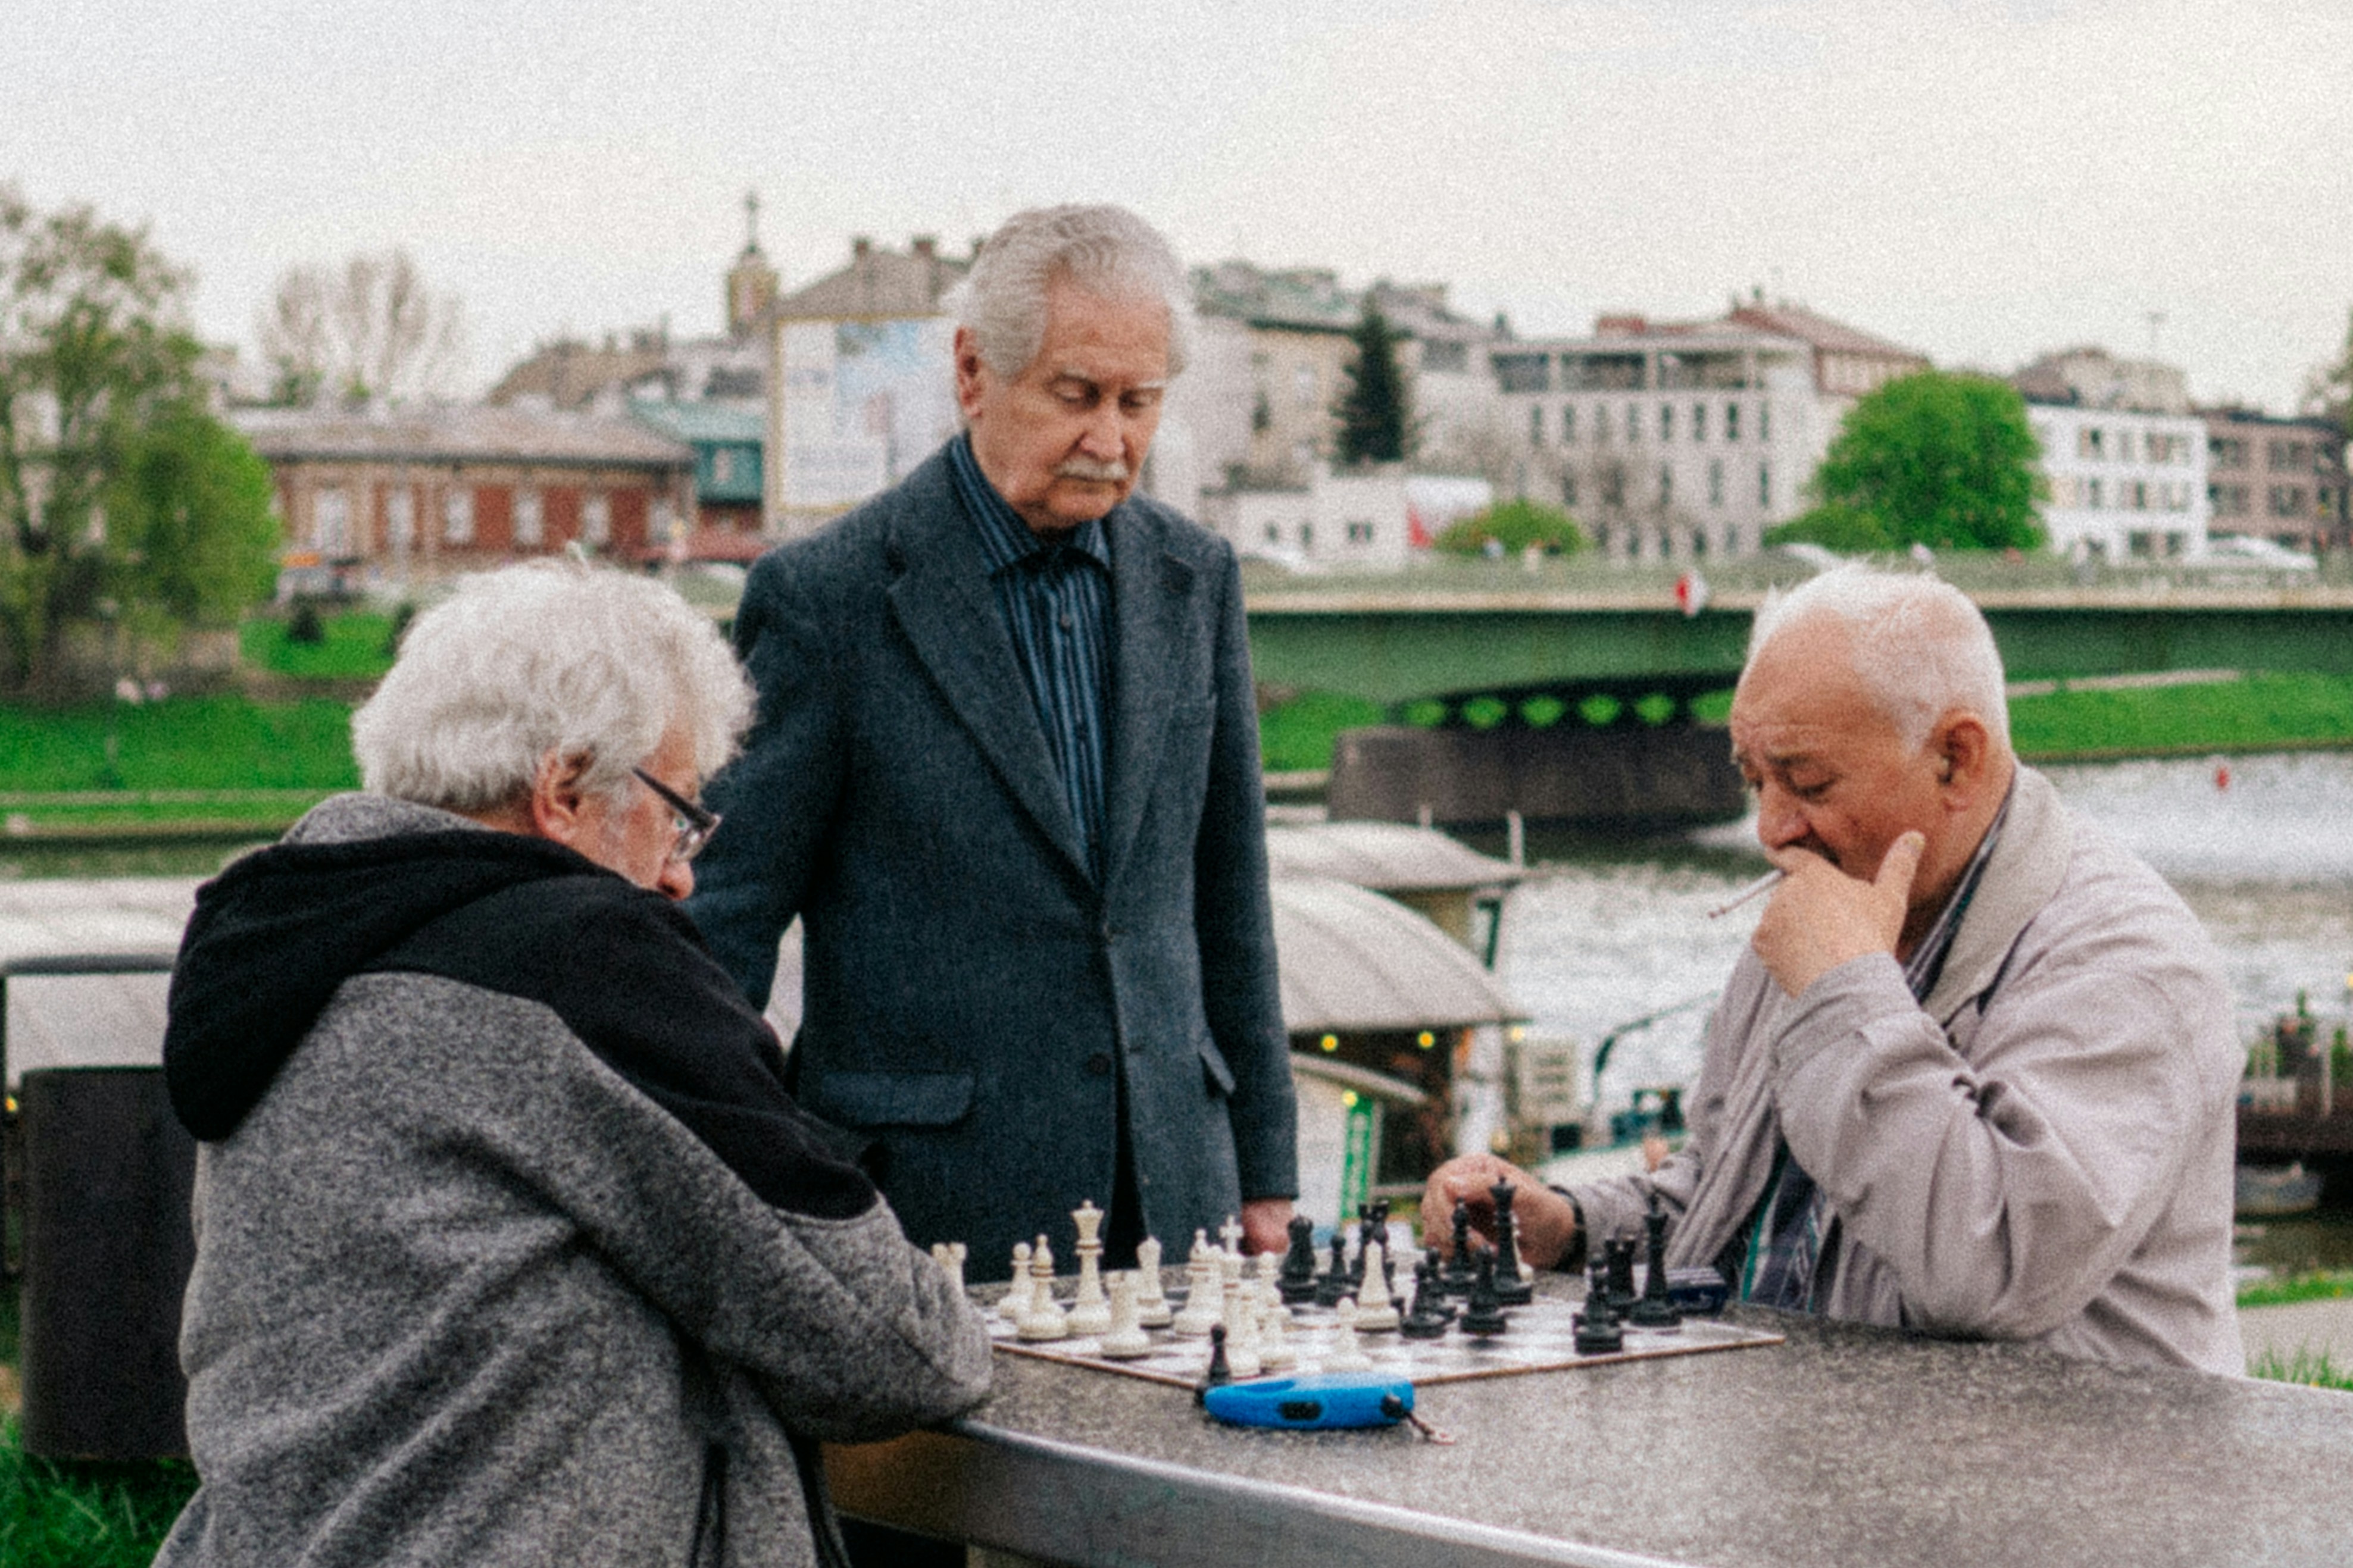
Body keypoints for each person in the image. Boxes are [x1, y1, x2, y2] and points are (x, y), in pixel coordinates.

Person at [155, 563, 991, 1568]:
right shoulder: (583, 964)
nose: (681, 875)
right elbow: (890, 1348)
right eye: (678, 814)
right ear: (562, 790)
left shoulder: (292, 946)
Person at [1425, 563, 2243, 1374]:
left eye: (1807, 781)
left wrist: (1844, 992)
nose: (1772, 830)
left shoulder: (2127, 965)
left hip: (2059, 1454)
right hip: (1818, 1433)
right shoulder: (1832, 894)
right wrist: (1569, 1227)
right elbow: (1727, 1190)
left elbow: (1990, 1268)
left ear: (1955, 759)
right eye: (1755, 782)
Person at [687, 204, 1297, 1277]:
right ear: (973, 372)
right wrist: (729, 1192)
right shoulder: (825, 598)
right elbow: (723, 927)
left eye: (1138, 403)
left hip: (1175, 1189)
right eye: (1076, 396)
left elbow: (1229, 895)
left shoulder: (1196, 577)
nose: (1110, 441)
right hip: (921, 1209)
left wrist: (1264, 1167)